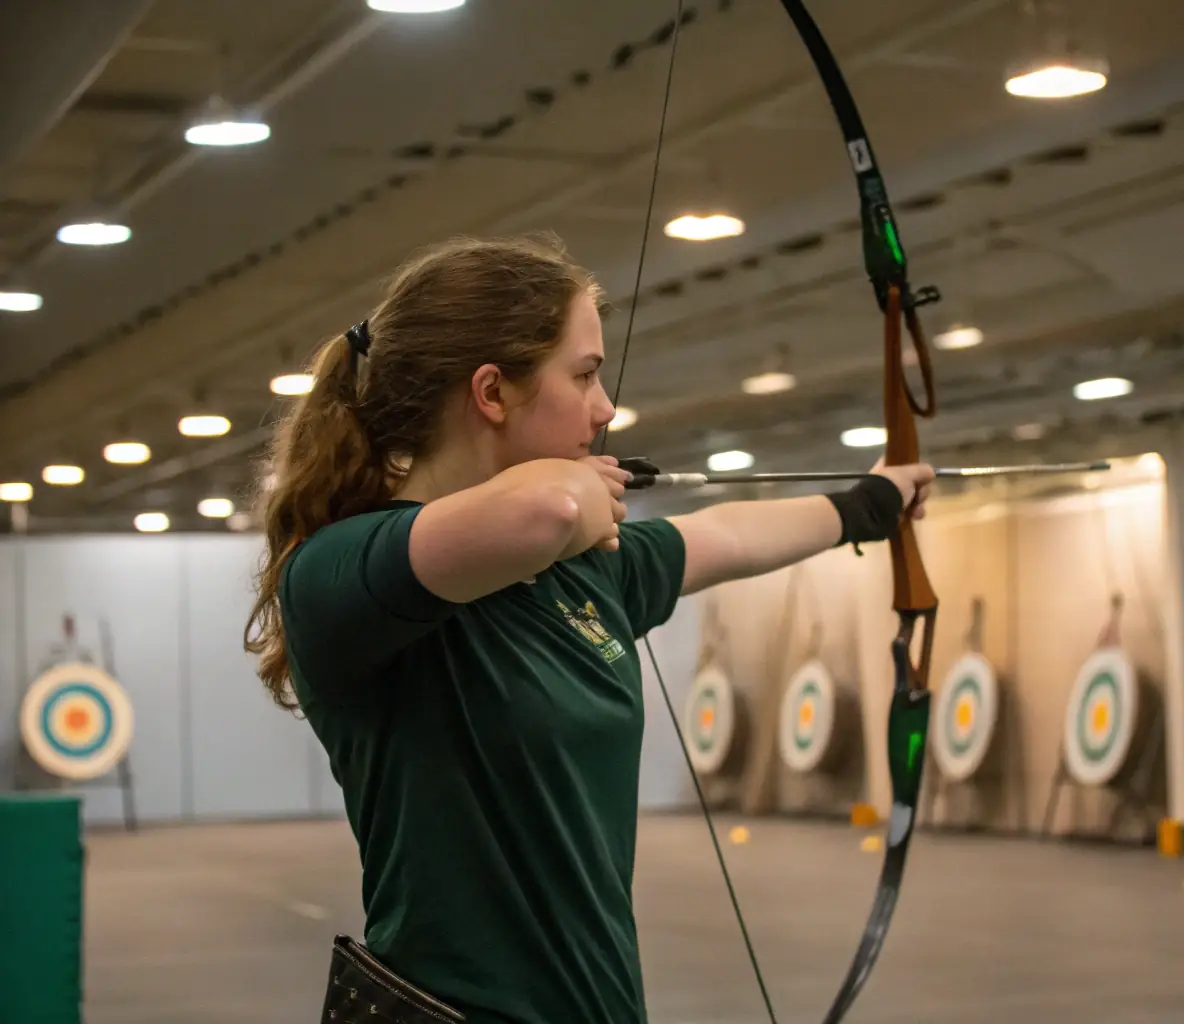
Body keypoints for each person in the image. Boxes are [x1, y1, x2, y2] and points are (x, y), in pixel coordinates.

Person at [243, 233, 934, 1024]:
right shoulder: (341, 572)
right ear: (491, 392)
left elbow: (727, 537)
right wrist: (576, 488)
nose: (605, 409)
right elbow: (549, 509)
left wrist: (868, 505)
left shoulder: (579, 570)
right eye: (584, 374)